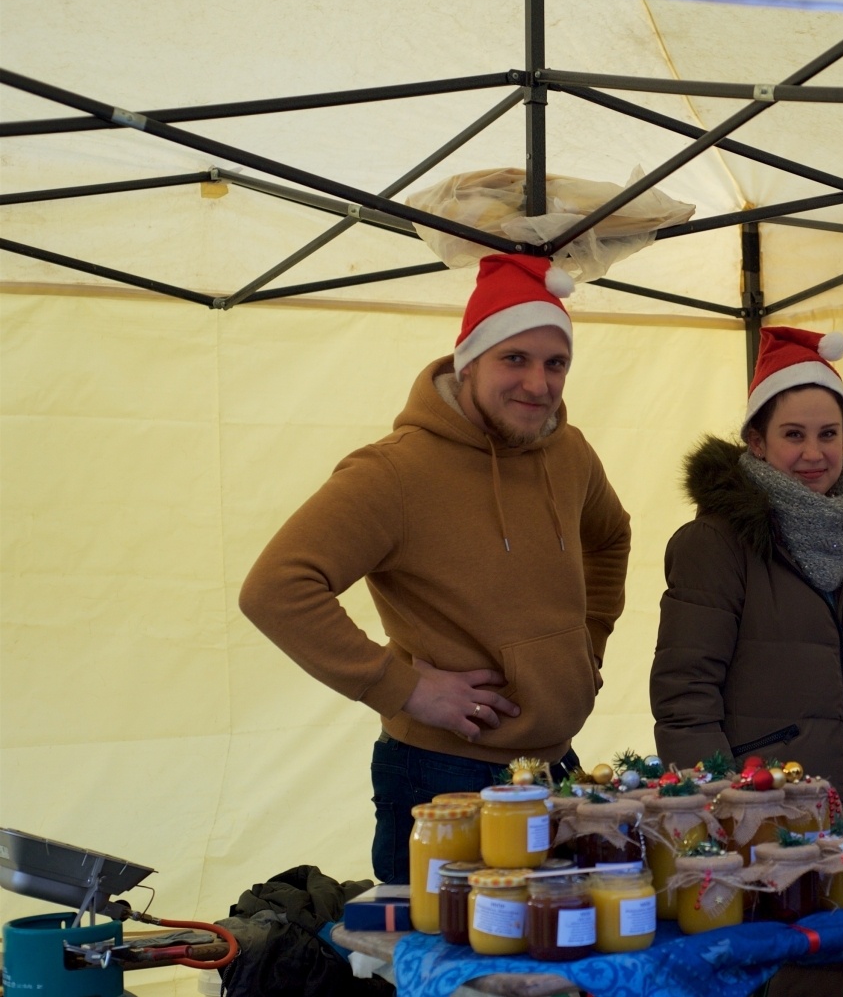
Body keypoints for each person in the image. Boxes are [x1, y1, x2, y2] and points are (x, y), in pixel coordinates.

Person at [240, 254, 631, 882]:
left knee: (552, 969)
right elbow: (277, 589)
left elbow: (610, 536)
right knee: (447, 974)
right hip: (444, 777)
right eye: (515, 359)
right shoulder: (395, 471)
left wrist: (588, 644)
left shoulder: (569, 451)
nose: (538, 383)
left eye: (555, 363)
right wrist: (404, 688)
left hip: (557, 765)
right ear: (468, 362)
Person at [651, 326, 843, 997]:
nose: (814, 453)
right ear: (757, 441)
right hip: (774, 828)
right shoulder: (713, 544)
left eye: (828, 434)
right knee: (799, 979)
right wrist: (722, 818)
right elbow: (686, 696)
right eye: (794, 435)